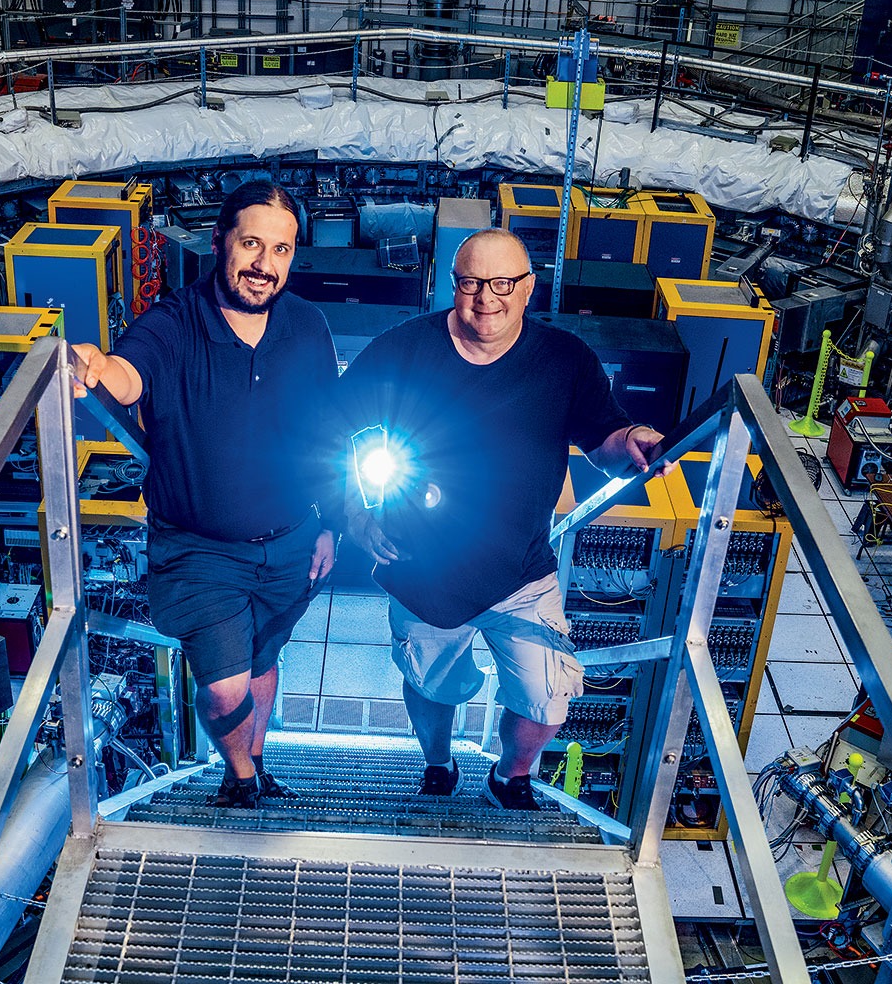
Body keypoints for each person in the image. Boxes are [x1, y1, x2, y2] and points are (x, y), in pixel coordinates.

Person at [337, 227, 665, 810]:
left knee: (548, 696)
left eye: (501, 283)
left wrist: (632, 438)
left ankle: (511, 776)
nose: (485, 297)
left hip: (522, 572)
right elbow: (334, 430)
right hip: (422, 572)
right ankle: (438, 763)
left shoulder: (564, 360)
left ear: (528, 288)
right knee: (429, 684)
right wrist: (354, 516)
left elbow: (604, 440)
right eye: (470, 283)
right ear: (451, 285)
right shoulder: (402, 350)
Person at [72, 181, 340, 809]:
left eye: (280, 249)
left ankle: (257, 761)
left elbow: (328, 431)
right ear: (219, 242)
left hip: (291, 540)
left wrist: (333, 523)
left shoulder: (306, 326)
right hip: (199, 551)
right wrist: (97, 364)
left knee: (263, 659)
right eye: (251, 244)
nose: (263, 265)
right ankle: (240, 774)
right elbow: (129, 374)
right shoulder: (173, 323)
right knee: (225, 689)